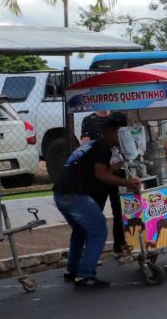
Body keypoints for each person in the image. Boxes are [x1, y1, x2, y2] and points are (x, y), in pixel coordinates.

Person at [55, 112, 139, 289]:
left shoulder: (94, 146)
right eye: (121, 133)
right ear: (109, 131)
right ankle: (85, 275)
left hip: (61, 193)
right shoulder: (102, 147)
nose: (123, 137)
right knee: (99, 229)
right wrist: (127, 183)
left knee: (80, 230)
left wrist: (122, 163)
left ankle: (72, 270)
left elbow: (103, 168)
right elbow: (101, 174)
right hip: (74, 194)